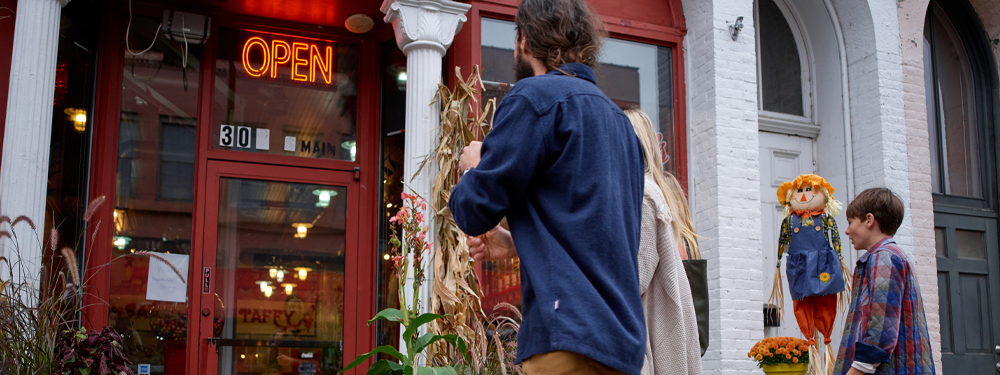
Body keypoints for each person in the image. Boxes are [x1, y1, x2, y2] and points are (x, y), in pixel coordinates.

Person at [447, 0, 646, 373]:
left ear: (524, 40)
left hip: (564, 338)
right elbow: (594, 231)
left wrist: (474, 165)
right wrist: (511, 242)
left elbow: (472, 210)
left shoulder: (534, 99)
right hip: (622, 344)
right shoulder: (622, 126)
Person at [624, 109, 701, 375]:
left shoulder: (642, 196)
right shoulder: (654, 190)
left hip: (653, 343)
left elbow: (633, 279)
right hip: (663, 334)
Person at [834, 188, 935, 375]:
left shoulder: (884, 258)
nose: (847, 231)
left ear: (869, 220)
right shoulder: (887, 257)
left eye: (850, 222)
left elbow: (880, 331)